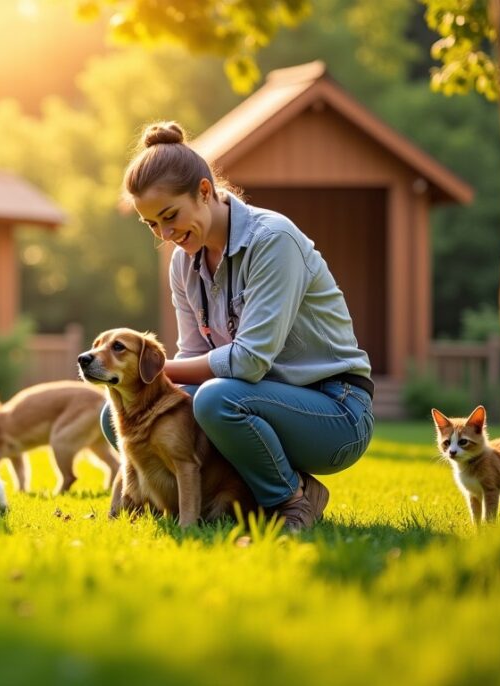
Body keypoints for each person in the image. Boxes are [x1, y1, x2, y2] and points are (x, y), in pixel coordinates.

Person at [100, 121, 375, 532]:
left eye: (170, 216)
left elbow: (249, 363)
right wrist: (143, 385)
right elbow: (193, 355)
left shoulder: (273, 241)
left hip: (334, 409)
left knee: (214, 400)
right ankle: (158, 502)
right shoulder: (183, 262)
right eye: (152, 224)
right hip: (249, 401)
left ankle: (292, 497)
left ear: (205, 192)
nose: (166, 234)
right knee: (118, 411)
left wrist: (152, 372)